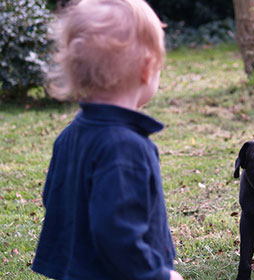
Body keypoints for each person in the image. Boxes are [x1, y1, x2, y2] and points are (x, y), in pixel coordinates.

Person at [32, 0, 183, 279]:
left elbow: (52, 197)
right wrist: (158, 275)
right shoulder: (126, 148)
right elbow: (117, 232)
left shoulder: (70, 135)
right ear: (147, 69)